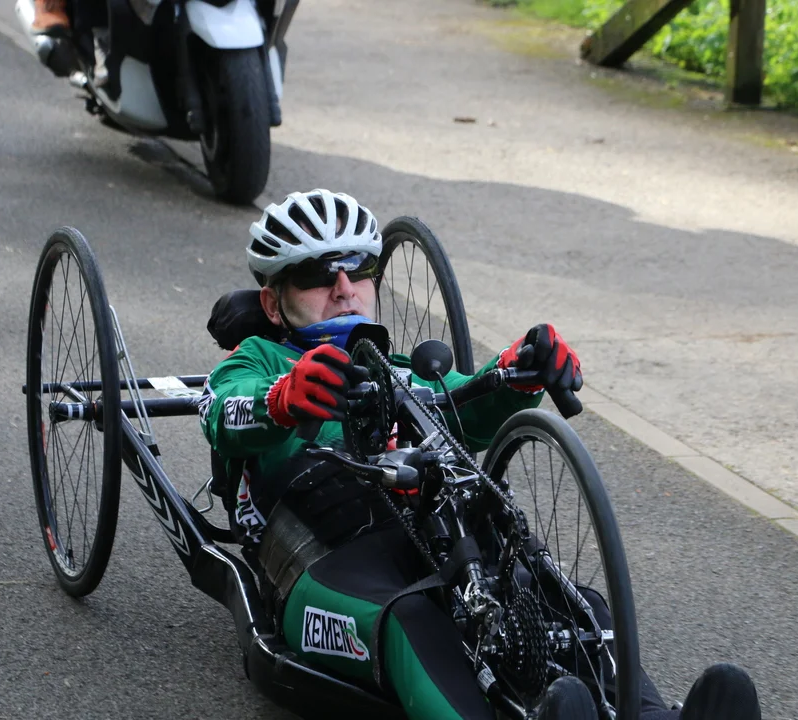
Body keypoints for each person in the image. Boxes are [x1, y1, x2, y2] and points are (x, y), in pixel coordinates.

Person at [199, 189, 762, 720]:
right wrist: (281, 400)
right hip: (324, 556)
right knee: (412, 619)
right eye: (317, 275)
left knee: (566, 601)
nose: (345, 288)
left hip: (444, 534)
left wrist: (520, 372)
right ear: (273, 302)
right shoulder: (257, 361)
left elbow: (469, 405)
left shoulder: (398, 368)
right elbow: (223, 412)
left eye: (359, 268)